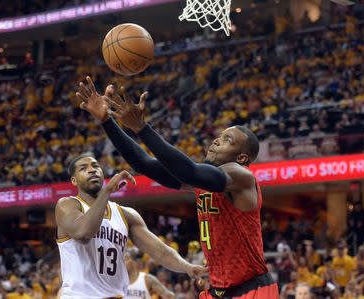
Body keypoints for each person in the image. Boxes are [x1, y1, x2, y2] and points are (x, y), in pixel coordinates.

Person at [76, 76, 279, 298]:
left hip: (252, 289)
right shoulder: (205, 182)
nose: (216, 141)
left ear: (241, 157)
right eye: (219, 136)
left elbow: (188, 170)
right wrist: (107, 121)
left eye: (227, 140)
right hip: (217, 291)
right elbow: (145, 164)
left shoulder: (241, 177)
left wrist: (142, 128)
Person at [55, 152, 206, 298]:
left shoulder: (126, 214)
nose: (92, 170)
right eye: (83, 168)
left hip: (117, 295)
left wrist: (187, 267)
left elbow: (159, 251)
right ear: (74, 180)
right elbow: (83, 234)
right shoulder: (67, 205)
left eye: (95, 166)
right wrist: (106, 191)